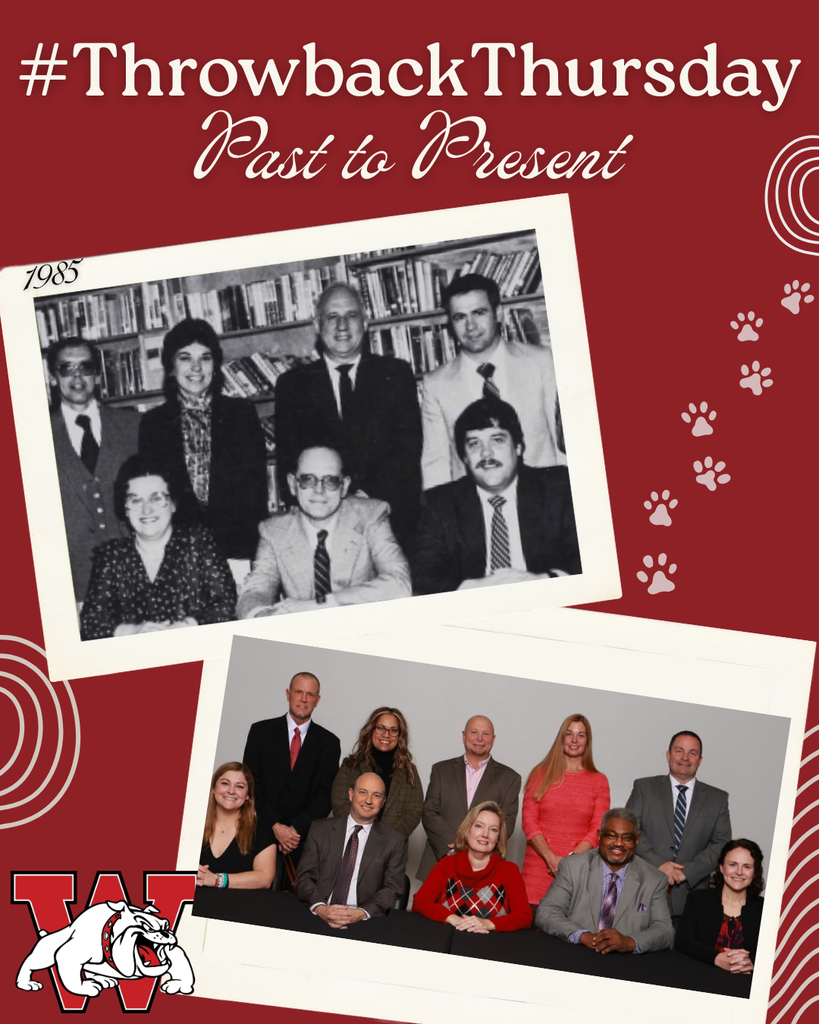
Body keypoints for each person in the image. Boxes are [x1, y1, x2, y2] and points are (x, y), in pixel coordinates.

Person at [274, 282, 422, 555]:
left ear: (365, 323)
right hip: (320, 524)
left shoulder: (396, 375)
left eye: (351, 316)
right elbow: (289, 461)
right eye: (332, 317)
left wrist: (360, 503)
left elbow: (407, 451)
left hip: (388, 519)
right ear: (317, 325)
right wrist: (332, 503)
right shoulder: (292, 386)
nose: (342, 326)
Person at [413, 398, 581, 595]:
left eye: (497, 439)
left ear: (518, 447)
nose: (486, 453)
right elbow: (424, 579)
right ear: (465, 458)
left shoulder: (559, 488)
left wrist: (543, 581)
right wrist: (479, 588)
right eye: (474, 444)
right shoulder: (439, 504)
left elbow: (590, 562)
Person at [139, 318, 269, 570]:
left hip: (239, 550)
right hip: (178, 554)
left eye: (205, 358)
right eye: (185, 357)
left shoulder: (241, 413)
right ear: (170, 367)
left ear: (215, 365)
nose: (196, 367)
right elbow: (155, 496)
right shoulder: (153, 423)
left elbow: (256, 493)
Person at [421, 273, 564, 490]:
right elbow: (435, 463)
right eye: (460, 317)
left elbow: (562, 441)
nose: (470, 326)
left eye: (479, 313)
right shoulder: (436, 384)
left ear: (498, 313)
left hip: (544, 497)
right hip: (476, 509)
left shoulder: (541, 362)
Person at [236, 445, 411, 617]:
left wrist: (320, 606)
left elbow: (399, 584)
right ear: (292, 484)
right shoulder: (273, 531)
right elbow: (254, 591)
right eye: (307, 480)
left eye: (330, 481)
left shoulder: (371, 515)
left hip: (363, 631)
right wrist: (261, 615)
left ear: (344, 486)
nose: (319, 490)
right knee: (243, 645)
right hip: (304, 639)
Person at [79, 456, 237, 639]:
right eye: (136, 500)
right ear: (125, 508)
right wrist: (133, 631)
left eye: (156, 498)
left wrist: (186, 626)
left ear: (173, 504)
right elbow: (91, 622)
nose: (147, 510)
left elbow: (225, 605)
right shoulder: (110, 556)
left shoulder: (199, 543)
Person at [47, 339, 140, 602]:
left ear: (97, 376)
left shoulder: (134, 426)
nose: (77, 376)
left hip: (135, 576)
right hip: (71, 584)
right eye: (66, 368)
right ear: (54, 378)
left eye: (85, 367)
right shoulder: (33, 434)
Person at [242, 672, 341, 883]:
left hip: (300, 842)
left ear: (318, 700)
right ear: (288, 694)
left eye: (310, 694)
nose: (303, 699)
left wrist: (293, 831)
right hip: (259, 831)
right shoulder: (260, 732)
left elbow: (326, 794)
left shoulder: (330, 743)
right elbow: (250, 784)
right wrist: (276, 826)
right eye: (298, 692)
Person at [536, 808, 674, 953]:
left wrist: (630, 942)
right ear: (599, 836)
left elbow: (665, 930)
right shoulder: (573, 866)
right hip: (575, 953)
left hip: (626, 963)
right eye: (611, 836)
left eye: (626, 838)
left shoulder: (654, 879)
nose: (619, 843)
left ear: (637, 840)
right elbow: (547, 911)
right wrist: (582, 935)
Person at [626, 731, 732, 917]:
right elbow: (629, 831)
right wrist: (660, 865)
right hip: (644, 890)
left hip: (693, 897)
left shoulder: (718, 799)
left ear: (700, 760)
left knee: (684, 946)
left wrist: (686, 873)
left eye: (692, 753)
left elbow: (721, 843)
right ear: (668, 755)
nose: (685, 758)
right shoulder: (644, 788)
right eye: (679, 751)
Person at [295, 772, 408, 926]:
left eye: (376, 796)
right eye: (362, 792)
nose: (368, 800)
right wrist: (321, 909)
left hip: (364, 920)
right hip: (318, 913)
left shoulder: (394, 841)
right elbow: (303, 878)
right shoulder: (320, 829)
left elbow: (393, 888)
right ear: (350, 794)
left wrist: (360, 914)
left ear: (383, 802)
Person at [521, 714, 610, 907]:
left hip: (577, 872)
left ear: (587, 741)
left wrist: (568, 862)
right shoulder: (540, 774)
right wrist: (550, 858)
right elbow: (529, 822)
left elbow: (598, 828)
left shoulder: (599, 781)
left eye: (581, 735)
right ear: (562, 738)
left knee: (568, 931)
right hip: (537, 871)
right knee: (529, 932)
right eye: (569, 734)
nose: (574, 740)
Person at [418, 715, 521, 880]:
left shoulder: (510, 778)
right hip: (439, 860)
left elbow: (506, 822)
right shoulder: (440, 770)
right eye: (474, 732)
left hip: (483, 868)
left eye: (486, 734)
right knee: (429, 906)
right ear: (464, 736)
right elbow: (429, 812)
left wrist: (474, 849)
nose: (480, 738)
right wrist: (456, 846)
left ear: (493, 739)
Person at [413, 801, 532, 932]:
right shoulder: (447, 864)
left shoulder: (510, 871)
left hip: (490, 946)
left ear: (498, 837)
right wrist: (453, 919)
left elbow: (524, 916)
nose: (485, 834)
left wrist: (487, 923)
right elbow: (420, 902)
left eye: (493, 829)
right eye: (479, 826)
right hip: (447, 941)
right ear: (467, 829)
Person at [676, 839, 765, 974]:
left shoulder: (764, 909)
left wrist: (750, 963)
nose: (739, 872)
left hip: (745, 983)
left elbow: (772, 953)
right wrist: (716, 958)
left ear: (755, 872)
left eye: (747, 866)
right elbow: (682, 941)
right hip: (699, 977)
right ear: (722, 867)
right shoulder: (698, 899)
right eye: (733, 864)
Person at [331, 707, 423, 837]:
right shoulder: (351, 765)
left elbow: (415, 811)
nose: (386, 734)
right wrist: (361, 833)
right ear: (371, 730)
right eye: (380, 728)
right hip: (353, 839)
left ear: (400, 735)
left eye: (393, 730)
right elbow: (339, 803)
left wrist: (388, 840)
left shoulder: (409, 770)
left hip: (391, 847)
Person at [198, 762, 276, 890]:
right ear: (213, 788)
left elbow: (265, 878)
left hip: (239, 907)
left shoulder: (262, 831)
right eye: (225, 783)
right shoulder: (191, 825)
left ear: (248, 795)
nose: (231, 791)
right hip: (191, 904)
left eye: (239, 786)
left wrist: (217, 880)